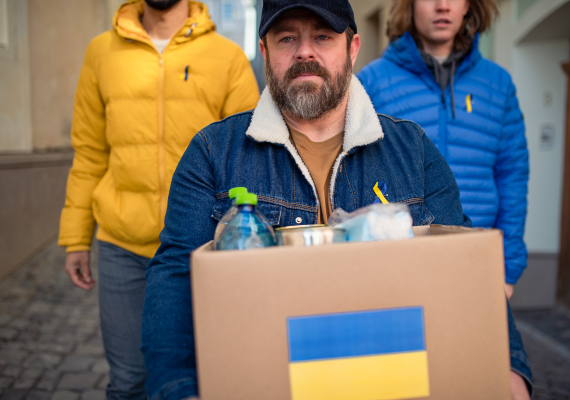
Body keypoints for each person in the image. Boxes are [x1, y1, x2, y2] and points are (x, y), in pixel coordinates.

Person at [141, 0, 532, 399]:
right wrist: (178, 387)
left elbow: (465, 262)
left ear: (353, 47)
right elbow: (174, 276)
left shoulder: (413, 149)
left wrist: (511, 366)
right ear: (265, 52)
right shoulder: (213, 152)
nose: (304, 51)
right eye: (287, 38)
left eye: (323, 36)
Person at [58, 0, 259, 398]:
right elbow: (90, 152)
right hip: (122, 246)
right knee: (130, 381)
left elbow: (247, 157)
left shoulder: (228, 57)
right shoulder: (101, 52)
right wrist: (76, 237)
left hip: (198, 247)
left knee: (202, 377)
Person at [357, 0, 529, 300]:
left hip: (477, 258)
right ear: (408, 5)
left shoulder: (498, 84)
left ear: (469, 6)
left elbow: (512, 176)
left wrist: (507, 266)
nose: (443, 5)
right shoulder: (371, 82)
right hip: (397, 261)